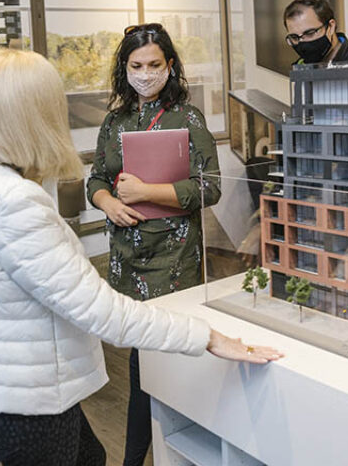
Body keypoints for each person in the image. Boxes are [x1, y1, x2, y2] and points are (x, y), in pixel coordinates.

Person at [0, 49, 281, 466]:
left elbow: (207, 188)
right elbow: (101, 312)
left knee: (91, 456)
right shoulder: (14, 202)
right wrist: (207, 337)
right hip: (27, 398)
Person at [87, 23, 220, 466]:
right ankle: (156, 450)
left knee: (159, 361)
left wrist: (147, 192)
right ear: (125, 69)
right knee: (144, 359)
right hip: (126, 259)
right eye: (136, 66)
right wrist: (107, 202)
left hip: (173, 259)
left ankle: (143, 455)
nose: (145, 73)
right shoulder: (114, 120)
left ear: (170, 66)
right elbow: (97, 179)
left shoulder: (188, 117)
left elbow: (210, 188)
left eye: (154, 65)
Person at [284, 0, 348, 66]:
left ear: (331, 26)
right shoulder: (298, 69)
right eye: (294, 37)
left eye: (310, 33)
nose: (303, 43)